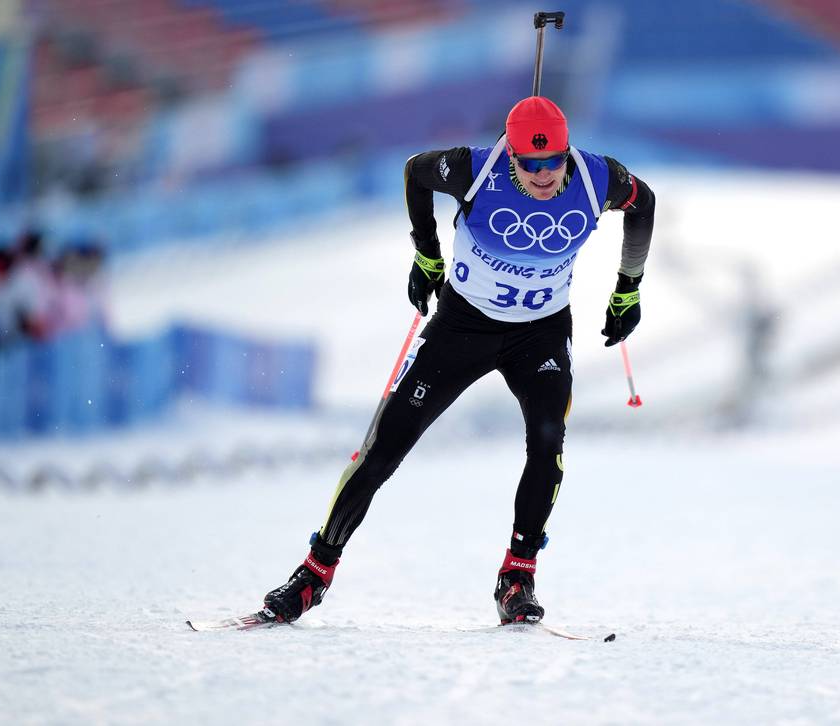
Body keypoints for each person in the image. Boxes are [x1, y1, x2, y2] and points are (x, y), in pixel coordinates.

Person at [261, 95, 656, 625]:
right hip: (461, 328)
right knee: (385, 448)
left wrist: (628, 287)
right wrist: (427, 254)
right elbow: (415, 173)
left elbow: (644, 204)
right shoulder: (476, 169)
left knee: (547, 445)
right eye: (530, 163)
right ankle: (314, 573)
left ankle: (517, 577)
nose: (543, 174)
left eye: (553, 160)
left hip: (539, 335)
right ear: (511, 154)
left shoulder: (597, 178)